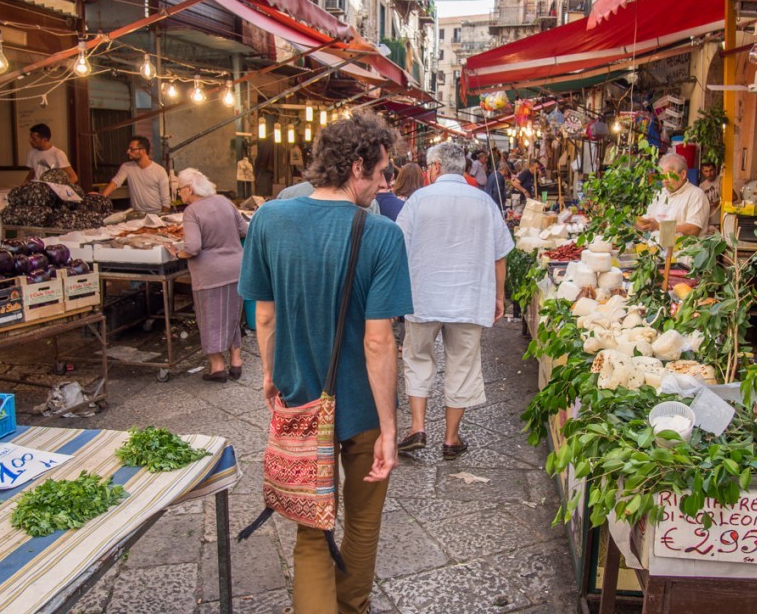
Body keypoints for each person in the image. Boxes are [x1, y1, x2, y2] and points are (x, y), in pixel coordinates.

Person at [238, 111, 412, 613]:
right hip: (359, 409)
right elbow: (378, 343)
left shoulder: (269, 218)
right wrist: (388, 426)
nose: (384, 184)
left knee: (311, 531)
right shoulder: (381, 235)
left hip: (299, 401)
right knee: (361, 525)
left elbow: (263, 317)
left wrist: (272, 374)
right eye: (382, 172)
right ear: (357, 166)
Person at [397, 142, 514, 460]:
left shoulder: (418, 200)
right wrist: (499, 296)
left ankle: (417, 428)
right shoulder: (483, 202)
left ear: (434, 167)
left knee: (418, 358)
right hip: (468, 297)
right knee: (462, 364)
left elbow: (398, 247)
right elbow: (500, 254)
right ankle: (450, 438)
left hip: (422, 296)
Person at [162, 168, 247, 382]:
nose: (179, 194)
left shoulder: (192, 211)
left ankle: (217, 367)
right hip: (237, 268)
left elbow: (192, 247)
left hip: (210, 274)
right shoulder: (224, 201)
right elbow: (245, 229)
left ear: (189, 189)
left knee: (210, 318)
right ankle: (236, 362)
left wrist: (177, 252)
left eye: (179, 190)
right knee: (232, 315)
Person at [636, 153, 711, 239]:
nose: (664, 181)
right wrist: (637, 222)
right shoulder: (660, 194)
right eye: (662, 176)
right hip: (656, 249)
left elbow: (693, 230)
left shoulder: (696, 195)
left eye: (668, 176)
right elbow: (649, 219)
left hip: (683, 251)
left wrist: (659, 226)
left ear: (683, 174)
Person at [100, 136, 170, 214]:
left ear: (142, 151)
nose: (128, 152)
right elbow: (115, 182)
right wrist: (101, 198)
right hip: (136, 215)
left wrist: (163, 219)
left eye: (132, 149)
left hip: (156, 214)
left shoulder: (159, 171)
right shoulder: (127, 167)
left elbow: (166, 201)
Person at [698, 161, 722, 228]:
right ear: (702, 172)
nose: (709, 174)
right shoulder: (701, 186)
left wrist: (717, 203)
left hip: (720, 222)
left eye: (711, 170)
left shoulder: (722, 180)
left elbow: (734, 197)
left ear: (715, 170)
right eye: (706, 171)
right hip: (707, 222)